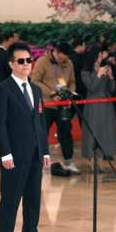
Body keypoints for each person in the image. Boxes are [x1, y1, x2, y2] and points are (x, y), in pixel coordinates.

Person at [0, 42, 51, 232]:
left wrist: (44, 150)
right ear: (11, 64)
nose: (27, 64)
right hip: (14, 156)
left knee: (33, 199)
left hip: (35, 154)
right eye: (21, 61)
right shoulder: (3, 89)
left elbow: (40, 121)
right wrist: (5, 154)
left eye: (29, 60)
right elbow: (0, 124)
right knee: (11, 200)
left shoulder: (35, 89)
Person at [30, 42, 81, 175]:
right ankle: (38, 161)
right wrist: (51, 93)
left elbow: (72, 81)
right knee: (42, 133)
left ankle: (68, 161)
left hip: (63, 105)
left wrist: (70, 94)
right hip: (47, 104)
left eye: (64, 59)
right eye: (60, 58)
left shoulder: (69, 63)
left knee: (66, 133)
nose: (62, 61)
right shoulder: (42, 61)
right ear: (55, 51)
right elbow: (35, 81)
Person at [81, 47, 116, 172]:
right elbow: (91, 88)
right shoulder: (85, 72)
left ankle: (101, 163)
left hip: (106, 103)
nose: (99, 60)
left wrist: (111, 76)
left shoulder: (104, 69)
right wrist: (99, 74)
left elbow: (112, 89)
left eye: (101, 57)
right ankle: (92, 162)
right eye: (97, 57)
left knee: (105, 131)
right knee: (94, 131)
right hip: (93, 104)